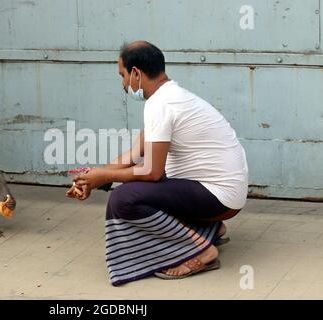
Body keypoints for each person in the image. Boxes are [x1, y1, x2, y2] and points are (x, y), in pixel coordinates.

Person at [66, 41, 248, 286]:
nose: (123, 84)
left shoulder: (160, 104)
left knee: (124, 198)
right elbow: (134, 155)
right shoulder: (169, 96)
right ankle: (212, 230)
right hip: (220, 192)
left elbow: (151, 172)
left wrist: (105, 177)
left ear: (136, 73)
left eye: (122, 75)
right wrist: (93, 177)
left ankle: (202, 252)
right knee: (135, 188)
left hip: (218, 196)